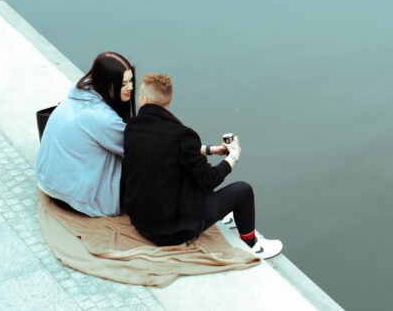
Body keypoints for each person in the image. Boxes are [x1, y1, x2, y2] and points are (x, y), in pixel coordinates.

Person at [121, 72, 282, 258]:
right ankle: (251, 243)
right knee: (243, 191)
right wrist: (233, 157)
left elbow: (169, 151)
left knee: (190, 172)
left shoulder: (132, 127)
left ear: (144, 99)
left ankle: (222, 213)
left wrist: (212, 150)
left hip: (142, 221)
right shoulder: (182, 135)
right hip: (172, 232)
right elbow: (209, 180)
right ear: (168, 101)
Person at [36, 51, 135, 216]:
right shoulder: (103, 119)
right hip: (77, 200)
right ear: (108, 83)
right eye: (123, 84)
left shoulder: (80, 92)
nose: (130, 87)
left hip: (49, 184)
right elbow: (136, 150)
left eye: (131, 81)